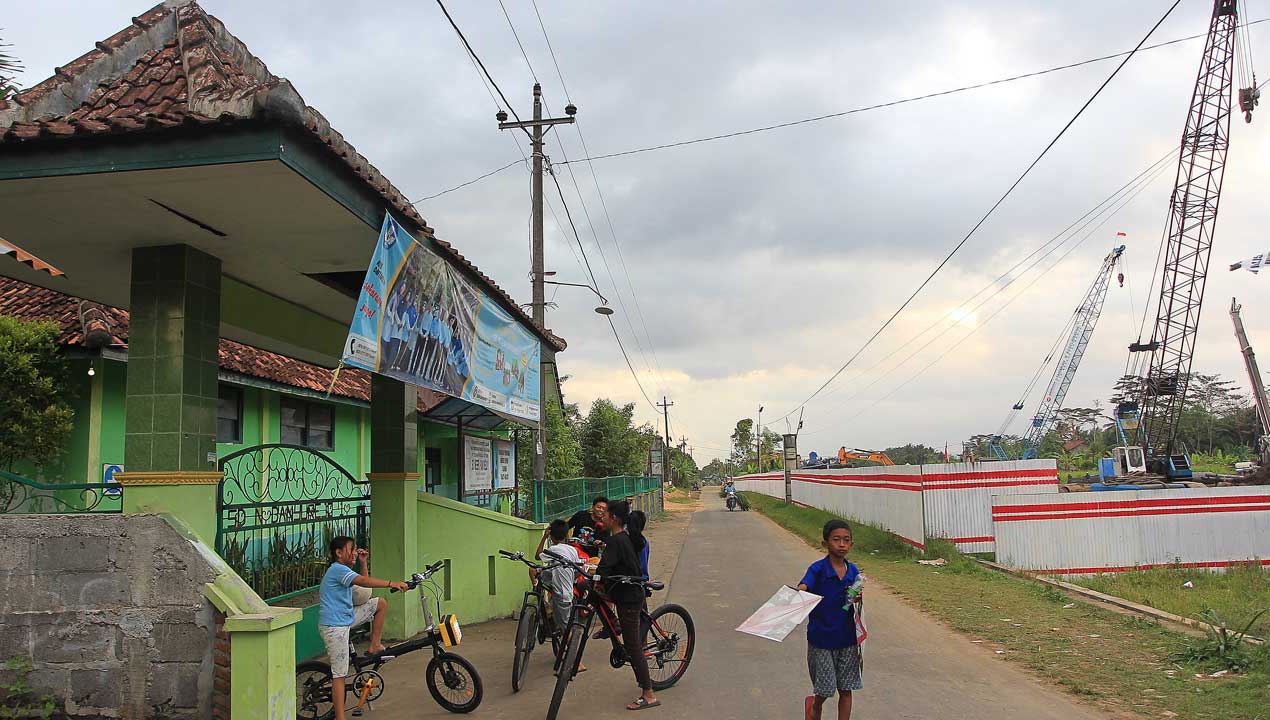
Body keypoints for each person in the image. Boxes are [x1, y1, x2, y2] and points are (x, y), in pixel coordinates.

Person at [319, 537, 409, 720]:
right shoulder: (337, 570)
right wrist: (392, 583)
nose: (354, 552)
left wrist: (363, 562)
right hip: (334, 627)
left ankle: (374, 645)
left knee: (380, 604)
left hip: (346, 619)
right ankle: (339, 717)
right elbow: (365, 582)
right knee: (339, 674)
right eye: (351, 549)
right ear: (338, 553)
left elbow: (362, 587)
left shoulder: (344, 571)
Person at [594, 500, 658, 711]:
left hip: (629, 598)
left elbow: (602, 570)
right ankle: (613, 624)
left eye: (605, 514)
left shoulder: (617, 541)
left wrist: (592, 573)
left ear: (613, 518)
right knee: (596, 594)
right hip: (626, 593)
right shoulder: (623, 538)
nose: (600, 516)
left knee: (633, 646)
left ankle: (648, 694)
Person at [796, 520, 863, 720]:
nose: (841, 544)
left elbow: (855, 598)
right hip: (822, 639)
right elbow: (804, 585)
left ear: (851, 544)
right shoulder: (817, 569)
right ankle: (815, 707)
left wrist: (857, 596)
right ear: (825, 544)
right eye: (836, 540)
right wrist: (801, 591)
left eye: (846, 540)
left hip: (847, 638)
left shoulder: (853, 572)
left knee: (846, 688)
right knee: (824, 690)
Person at [539, 519, 586, 670]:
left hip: (562, 596)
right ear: (567, 534)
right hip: (569, 592)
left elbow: (537, 555)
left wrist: (544, 537)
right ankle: (548, 608)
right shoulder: (571, 549)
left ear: (551, 535)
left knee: (567, 629)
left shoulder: (554, 550)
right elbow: (579, 568)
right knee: (563, 625)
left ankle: (577, 661)